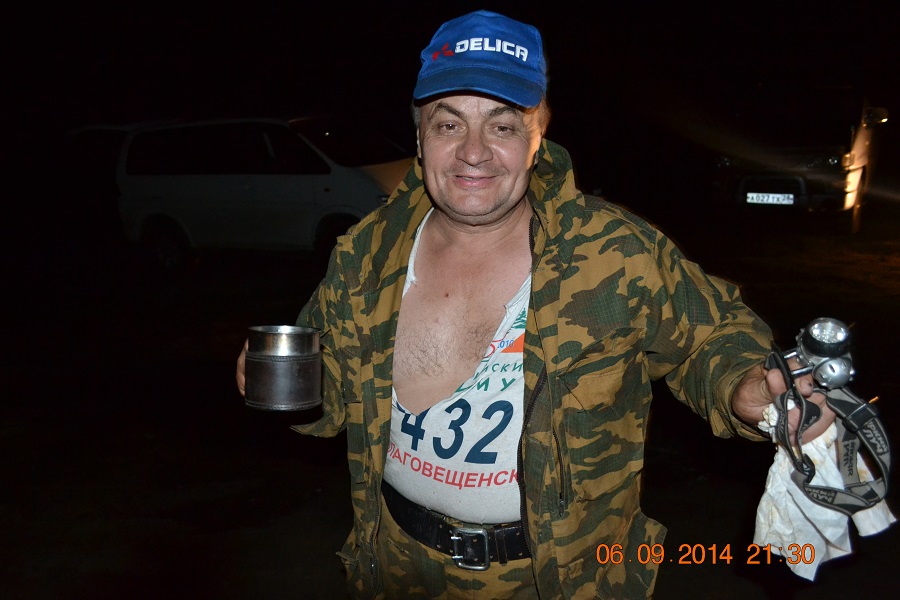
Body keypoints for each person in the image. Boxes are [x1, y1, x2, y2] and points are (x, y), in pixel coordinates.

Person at [236, 10, 834, 599]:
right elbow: (327, 388)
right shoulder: (365, 254)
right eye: (448, 125)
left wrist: (743, 385)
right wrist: (278, 379)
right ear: (419, 137)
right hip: (397, 566)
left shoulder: (614, 252)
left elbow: (713, 335)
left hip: (562, 580)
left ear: (538, 135)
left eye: (502, 126)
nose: (473, 152)